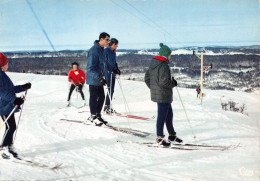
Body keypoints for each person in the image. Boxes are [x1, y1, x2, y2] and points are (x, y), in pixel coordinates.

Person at [145, 43, 182, 146]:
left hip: (161, 94)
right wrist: (173, 83)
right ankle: (159, 138)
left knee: (168, 115)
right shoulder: (163, 65)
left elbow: (147, 78)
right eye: (170, 54)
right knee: (162, 116)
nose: (170, 56)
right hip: (163, 94)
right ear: (166, 55)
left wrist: (154, 89)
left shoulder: (153, 63)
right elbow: (164, 82)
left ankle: (172, 135)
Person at [0, 52, 31, 159]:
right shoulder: (0, 75)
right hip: (3, 105)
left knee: (12, 126)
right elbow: (2, 92)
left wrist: (23, 87)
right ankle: (3, 148)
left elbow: (10, 89)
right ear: (2, 64)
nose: (7, 66)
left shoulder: (2, 75)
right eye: (6, 63)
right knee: (10, 127)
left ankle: (9, 146)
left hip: (7, 105)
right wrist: (14, 99)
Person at [85, 32, 110, 124]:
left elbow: (103, 65)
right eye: (107, 39)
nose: (108, 42)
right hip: (93, 78)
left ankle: (98, 114)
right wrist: (99, 77)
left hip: (99, 78)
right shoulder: (94, 50)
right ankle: (93, 116)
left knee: (102, 97)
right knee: (94, 97)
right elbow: (89, 68)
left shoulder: (101, 49)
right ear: (101, 39)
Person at [103, 38, 121, 114]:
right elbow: (104, 62)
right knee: (109, 89)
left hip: (112, 73)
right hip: (108, 73)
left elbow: (114, 62)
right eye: (116, 45)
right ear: (113, 44)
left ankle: (108, 106)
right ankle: (106, 107)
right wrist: (108, 70)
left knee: (112, 90)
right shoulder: (106, 51)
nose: (116, 46)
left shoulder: (114, 52)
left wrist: (116, 69)